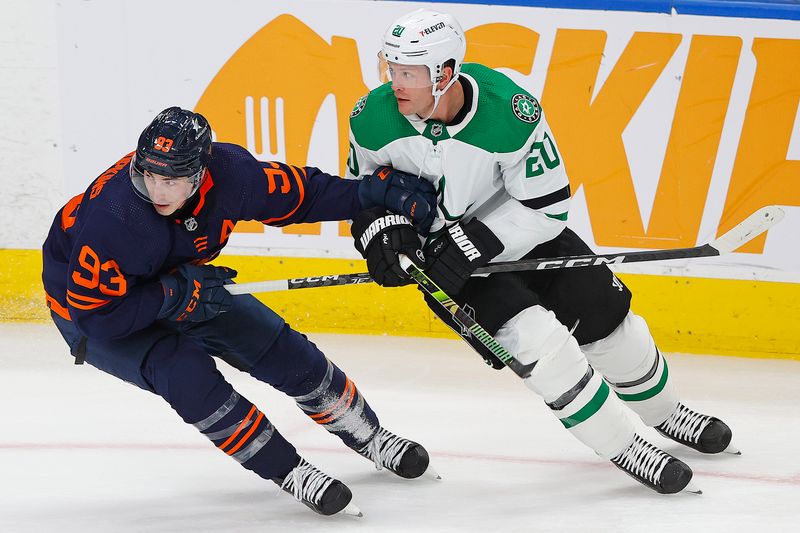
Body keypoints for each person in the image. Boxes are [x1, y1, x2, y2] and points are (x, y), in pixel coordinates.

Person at [347, 8, 737, 495]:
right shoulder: (372, 120)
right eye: (392, 69)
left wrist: (477, 239)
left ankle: (665, 413)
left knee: (610, 324)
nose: (395, 83)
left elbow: (548, 206)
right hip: (444, 263)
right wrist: (382, 235)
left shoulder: (509, 112)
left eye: (409, 73)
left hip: (524, 233)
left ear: (445, 73)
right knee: (541, 348)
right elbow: (361, 195)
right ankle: (623, 444)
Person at [42, 107, 439, 516]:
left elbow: (302, 195)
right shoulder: (116, 218)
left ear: (200, 173)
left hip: (178, 278)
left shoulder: (231, 174)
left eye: (172, 180)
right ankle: (289, 471)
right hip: (94, 311)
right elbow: (97, 317)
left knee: (280, 348)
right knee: (187, 375)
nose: (158, 191)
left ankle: (369, 436)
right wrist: (172, 294)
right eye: (149, 176)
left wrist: (366, 195)